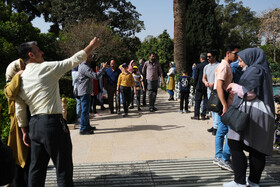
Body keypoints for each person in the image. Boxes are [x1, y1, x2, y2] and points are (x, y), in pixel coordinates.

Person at [15, 37, 101, 186]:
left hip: (34, 126)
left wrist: (24, 130)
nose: (42, 52)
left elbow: (20, 108)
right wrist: (90, 46)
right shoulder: (46, 68)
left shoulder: (20, 78)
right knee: (63, 169)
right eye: (38, 50)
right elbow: (72, 61)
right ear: (31, 55)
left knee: (36, 170)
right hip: (52, 124)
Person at [223, 48, 275, 187]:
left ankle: (239, 182)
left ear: (251, 58)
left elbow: (249, 93)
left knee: (234, 143)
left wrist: (234, 86)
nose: (239, 64)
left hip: (253, 113)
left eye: (241, 61)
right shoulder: (263, 69)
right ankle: (253, 182)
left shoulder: (255, 70)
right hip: (263, 114)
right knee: (257, 148)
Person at [213, 44, 240, 172]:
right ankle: (224, 158)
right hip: (225, 105)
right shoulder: (224, 66)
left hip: (225, 104)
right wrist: (224, 105)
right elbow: (219, 86)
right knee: (232, 131)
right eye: (235, 53)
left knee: (222, 130)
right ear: (228, 53)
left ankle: (218, 156)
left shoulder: (226, 65)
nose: (237, 56)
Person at [4, 59, 30, 187]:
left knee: (24, 158)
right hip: (19, 126)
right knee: (20, 158)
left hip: (23, 124)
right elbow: (12, 93)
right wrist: (19, 75)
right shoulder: (12, 84)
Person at [77, 56, 107, 135]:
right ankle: (83, 129)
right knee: (85, 111)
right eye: (90, 56)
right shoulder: (84, 67)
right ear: (85, 58)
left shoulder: (85, 66)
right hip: (84, 92)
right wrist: (103, 68)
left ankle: (87, 126)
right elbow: (95, 76)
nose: (91, 58)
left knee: (86, 111)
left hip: (86, 91)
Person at [202, 50, 219, 135]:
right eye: (207, 57)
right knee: (212, 109)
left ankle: (217, 127)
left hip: (217, 91)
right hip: (209, 91)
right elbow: (204, 77)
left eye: (209, 56)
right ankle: (214, 125)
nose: (208, 58)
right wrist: (205, 82)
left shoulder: (219, 66)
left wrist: (214, 83)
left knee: (216, 109)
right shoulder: (206, 67)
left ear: (214, 57)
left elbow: (220, 78)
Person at [191, 53, 208, 120]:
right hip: (207, 85)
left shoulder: (198, 66)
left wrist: (195, 84)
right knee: (206, 100)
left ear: (201, 58)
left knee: (197, 100)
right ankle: (203, 114)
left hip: (199, 85)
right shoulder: (208, 65)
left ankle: (196, 115)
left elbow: (196, 77)